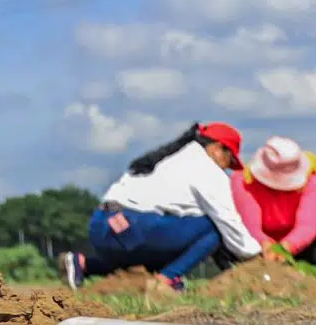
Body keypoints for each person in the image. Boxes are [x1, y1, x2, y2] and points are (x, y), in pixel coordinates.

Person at [73, 123, 259, 289]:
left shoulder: (170, 156)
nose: (226, 167)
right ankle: (167, 279)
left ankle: (84, 264)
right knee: (214, 227)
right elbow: (228, 222)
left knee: (157, 254)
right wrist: (256, 255)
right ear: (218, 148)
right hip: (133, 226)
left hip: (102, 227)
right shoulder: (206, 168)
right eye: (229, 160)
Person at [231, 136, 316, 278]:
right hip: (256, 243)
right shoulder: (244, 180)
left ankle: (300, 272)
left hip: (298, 244)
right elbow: (250, 223)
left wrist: (286, 248)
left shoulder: (312, 182)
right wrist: (265, 243)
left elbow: (308, 225)